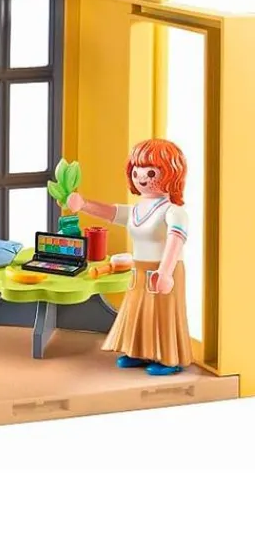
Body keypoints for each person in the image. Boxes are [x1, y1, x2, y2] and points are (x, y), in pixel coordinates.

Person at [67, 138, 192, 376]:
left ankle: (169, 358)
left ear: (171, 173)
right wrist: (83, 204)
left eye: (151, 172)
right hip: (140, 269)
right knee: (138, 310)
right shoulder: (138, 209)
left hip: (164, 269)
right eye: (136, 171)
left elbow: (176, 241)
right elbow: (112, 212)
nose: (141, 177)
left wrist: (165, 273)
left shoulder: (174, 211)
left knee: (163, 312)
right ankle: (138, 351)